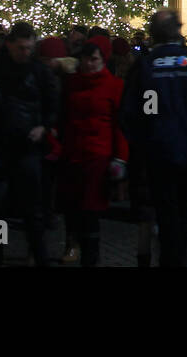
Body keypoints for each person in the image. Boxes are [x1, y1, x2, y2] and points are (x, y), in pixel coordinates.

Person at [121, 9, 187, 268]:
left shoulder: (145, 65)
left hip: (158, 152)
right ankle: (177, 257)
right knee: (182, 214)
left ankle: (169, 257)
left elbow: (130, 113)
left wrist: (141, 144)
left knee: (165, 215)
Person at [0, 21, 57, 267]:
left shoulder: (36, 72)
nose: (25, 53)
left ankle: (34, 255)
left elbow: (53, 105)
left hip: (24, 147)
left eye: (29, 48)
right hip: (2, 146)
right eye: (21, 48)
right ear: (11, 45)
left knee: (30, 210)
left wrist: (43, 127)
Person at [56, 37, 127, 267]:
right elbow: (63, 117)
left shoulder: (114, 86)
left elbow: (120, 125)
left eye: (93, 59)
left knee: (91, 212)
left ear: (102, 60)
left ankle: (90, 258)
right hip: (73, 154)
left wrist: (120, 158)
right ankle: (75, 245)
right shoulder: (72, 83)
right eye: (85, 59)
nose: (88, 64)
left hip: (98, 157)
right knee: (73, 209)